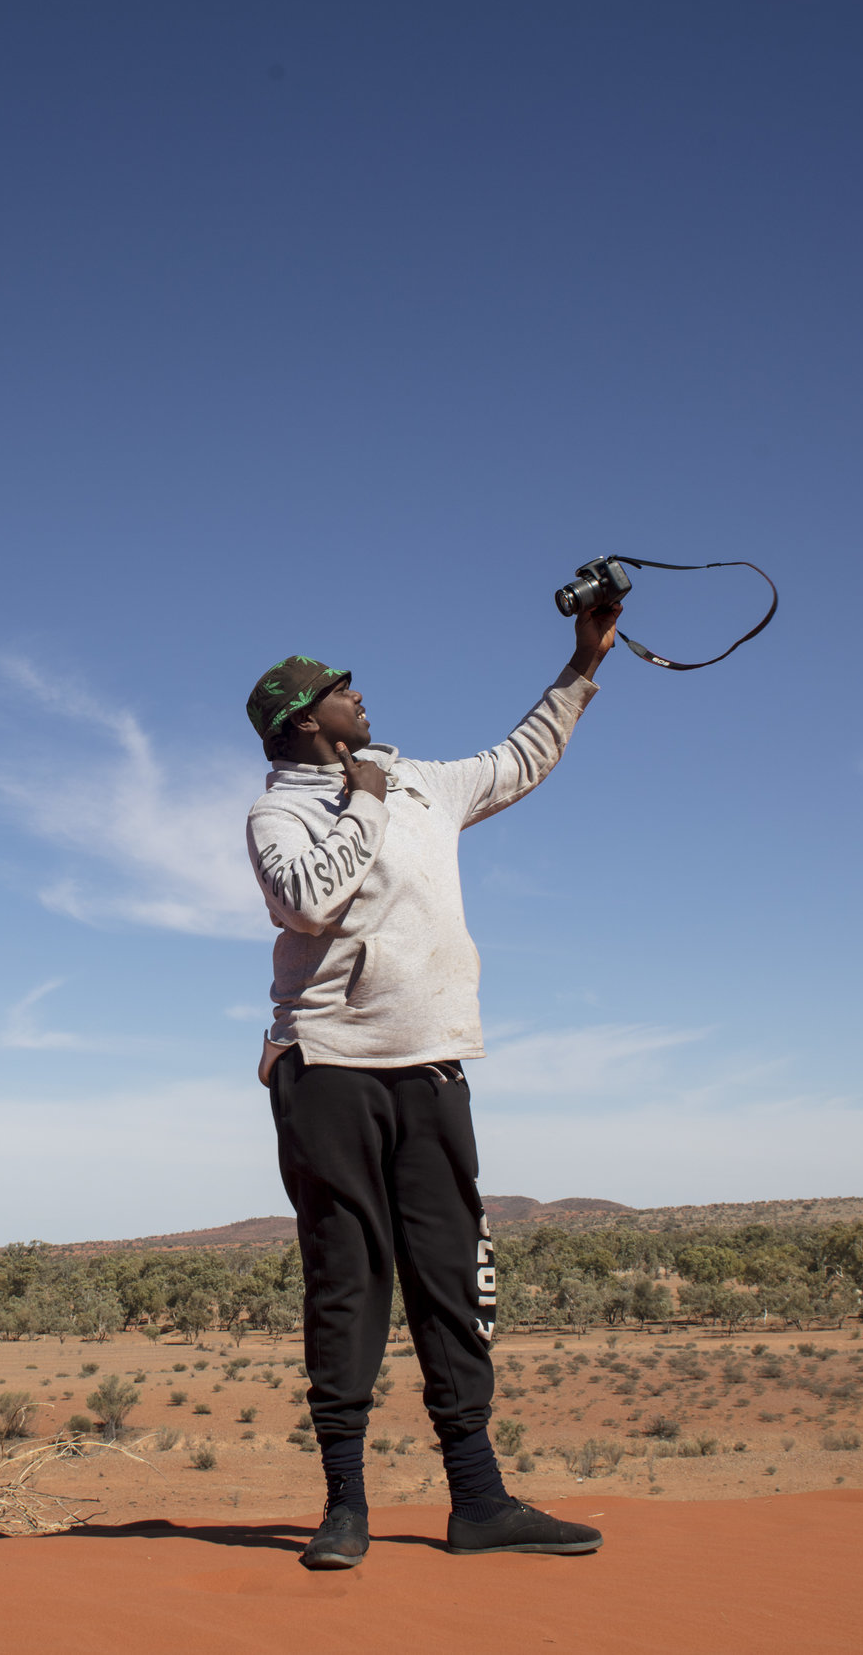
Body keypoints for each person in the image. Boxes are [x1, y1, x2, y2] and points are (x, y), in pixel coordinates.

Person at [242, 598, 623, 1569]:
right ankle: (344, 1508)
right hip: (329, 1067)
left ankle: (480, 1500)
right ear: (303, 720)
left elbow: (517, 758)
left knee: (451, 1280)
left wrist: (581, 664)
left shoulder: (420, 782)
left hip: (432, 1062)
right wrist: (360, 799)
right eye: (338, 687)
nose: (358, 692)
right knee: (347, 1279)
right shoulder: (278, 810)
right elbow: (307, 899)